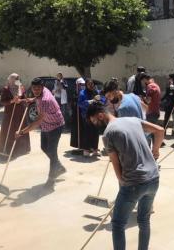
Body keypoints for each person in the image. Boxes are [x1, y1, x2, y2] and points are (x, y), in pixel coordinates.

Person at [87, 101, 164, 250]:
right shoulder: (133, 120)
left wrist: (123, 185)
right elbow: (160, 130)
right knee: (144, 220)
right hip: (154, 179)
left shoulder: (108, 133)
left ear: (100, 115)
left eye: (95, 121)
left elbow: (116, 165)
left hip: (134, 183)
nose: (96, 125)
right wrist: (156, 151)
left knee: (117, 224)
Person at [16, 78, 66, 188]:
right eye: (34, 88)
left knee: (52, 153)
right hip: (46, 124)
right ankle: (59, 166)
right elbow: (37, 97)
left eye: (38, 89)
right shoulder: (43, 91)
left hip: (56, 125)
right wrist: (31, 99)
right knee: (44, 147)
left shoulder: (45, 100)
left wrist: (22, 132)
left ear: (42, 88)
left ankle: (51, 181)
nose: (36, 90)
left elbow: (37, 122)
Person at [0, 73, 30, 160]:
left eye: (18, 79)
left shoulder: (21, 88)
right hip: (10, 115)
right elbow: (2, 102)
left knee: (21, 130)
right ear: (10, 80)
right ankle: (8, 150)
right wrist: (12, 101)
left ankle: (22, 149)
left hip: (20, 113)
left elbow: (25, 100)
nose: (17, 80)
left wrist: (20, 100)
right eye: (15, 79)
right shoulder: (6, 89)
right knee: (10, 131)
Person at [77, 78, 105, 157]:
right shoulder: (82, 93)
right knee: (87, 133)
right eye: (89, 84)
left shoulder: (96, 92)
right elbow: (80, 104)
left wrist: (100, 100)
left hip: (96, 115)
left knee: (96, 132)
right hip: (86, 116)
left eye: (92, 84)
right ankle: (86, 150)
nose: (91, 85)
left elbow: (103, 100)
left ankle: (95, 149)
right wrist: (92, 101)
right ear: (86, 85)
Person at [70, 77, 85, 150]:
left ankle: (84, 145)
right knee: (76, 130)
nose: (82, 86)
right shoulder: (74, 93)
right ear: (77, 85)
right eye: (80, 85)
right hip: (76, 115)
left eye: (83, 84)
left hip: (83, 115)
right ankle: (77, 145)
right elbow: (73, 103)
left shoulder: (84, 92)